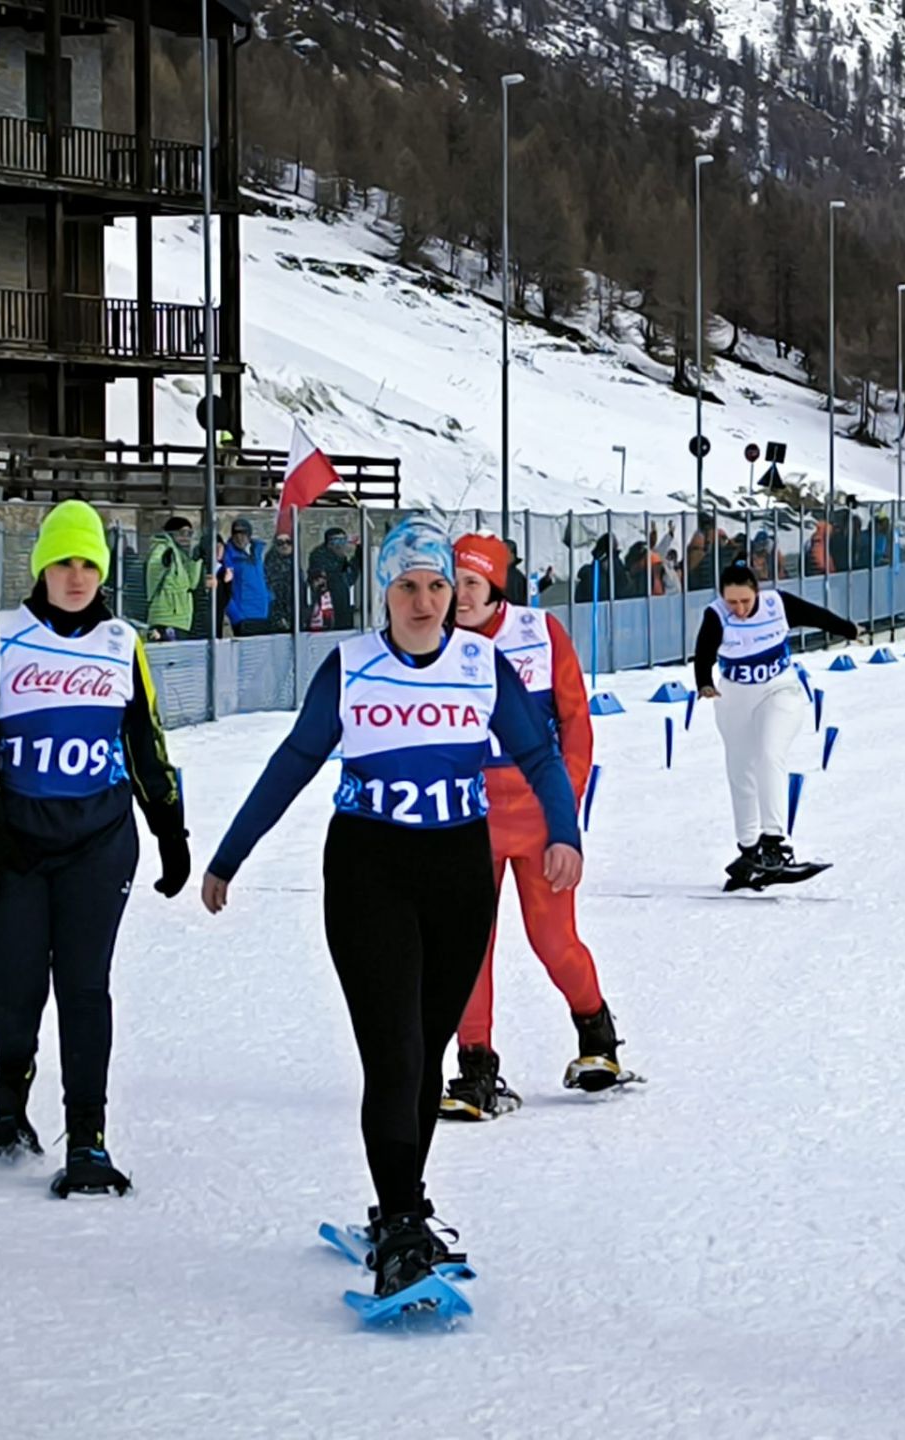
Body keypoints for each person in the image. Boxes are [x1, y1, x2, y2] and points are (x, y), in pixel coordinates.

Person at [200, 518, 583, 1302]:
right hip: (370, 867)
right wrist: (229, 855)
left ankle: (399, 1204)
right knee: (394, 1053)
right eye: (408, 586)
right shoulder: (352, 665)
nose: (425, 601)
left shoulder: (481, 664)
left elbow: (539, 752)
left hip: (458, 867)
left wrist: (564, 832)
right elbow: (294, 761)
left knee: (428, 1050)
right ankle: (404, 1226)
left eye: (437, 585)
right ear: (384, 590)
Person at [0, 501, 190, 1195]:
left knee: (83, 985)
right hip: (14, 843)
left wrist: (170, 828)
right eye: (64, 562)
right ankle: (8, 1091)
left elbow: (146, 741)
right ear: (41, 567)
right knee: (14, 984)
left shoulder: (121, 643)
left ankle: (87, 1137)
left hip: (98, 841)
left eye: (89, 564)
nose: (77, 577)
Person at [437, 534, 622, 1121]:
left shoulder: (540, 632)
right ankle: (475, 1068)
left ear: (496, 587)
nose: (459, 596)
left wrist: (564, 812)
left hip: (537, 816)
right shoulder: (432, 640)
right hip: (467, 817)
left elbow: (575, 723)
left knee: (552, 941)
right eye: (452, 583)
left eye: (471, 584)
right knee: (468, 948)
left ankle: (596, 1034)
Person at [694, 563, 857, 889]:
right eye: (732, 602)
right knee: (740, 768)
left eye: (745, 601)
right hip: (735, 696)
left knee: (770, 754)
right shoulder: (716, 615)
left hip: (779, 689)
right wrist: (704, 683)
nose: (739, 609)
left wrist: (848, 629)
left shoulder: (777, 605)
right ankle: (749, 849)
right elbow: (704, 653)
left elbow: (817, 616)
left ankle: (775, 843)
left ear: (757, 592)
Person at [144, 516, 207, 641]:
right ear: (172, 533)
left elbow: (192, 584)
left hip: (181, 618)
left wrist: (195, 561)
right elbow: (154, 568)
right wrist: (164, 562)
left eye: (189, 534)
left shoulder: (181, 554)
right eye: (182, 533)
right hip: (166, 617)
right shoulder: (162, 547)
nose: (186, 537)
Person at [223, 518, 272, 636]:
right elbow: (224, 591)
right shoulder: (227, 556)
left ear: (249, 535)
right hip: (244, 617)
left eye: (243, 534)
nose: (239, 538)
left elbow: (263, 581)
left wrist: (270, 602)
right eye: (236, 534)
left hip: (263, 614)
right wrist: (237, 618)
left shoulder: (257, 552)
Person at [307, 527, 360, 630]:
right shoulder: (320, 560)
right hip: (328, 616)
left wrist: (359, 552)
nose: (340, 545)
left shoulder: (340, 560)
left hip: (342, 612)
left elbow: (350, 578)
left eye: (343, 541)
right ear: (328, 543)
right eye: (336, 541)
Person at [267, 531, 298, 632]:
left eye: (288, 542)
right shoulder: (271, 565)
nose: (285, 546)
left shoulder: (295, 562)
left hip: (296, 614)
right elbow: (272, 595)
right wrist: (279, 617)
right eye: (280, 543)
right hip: (279, 618)